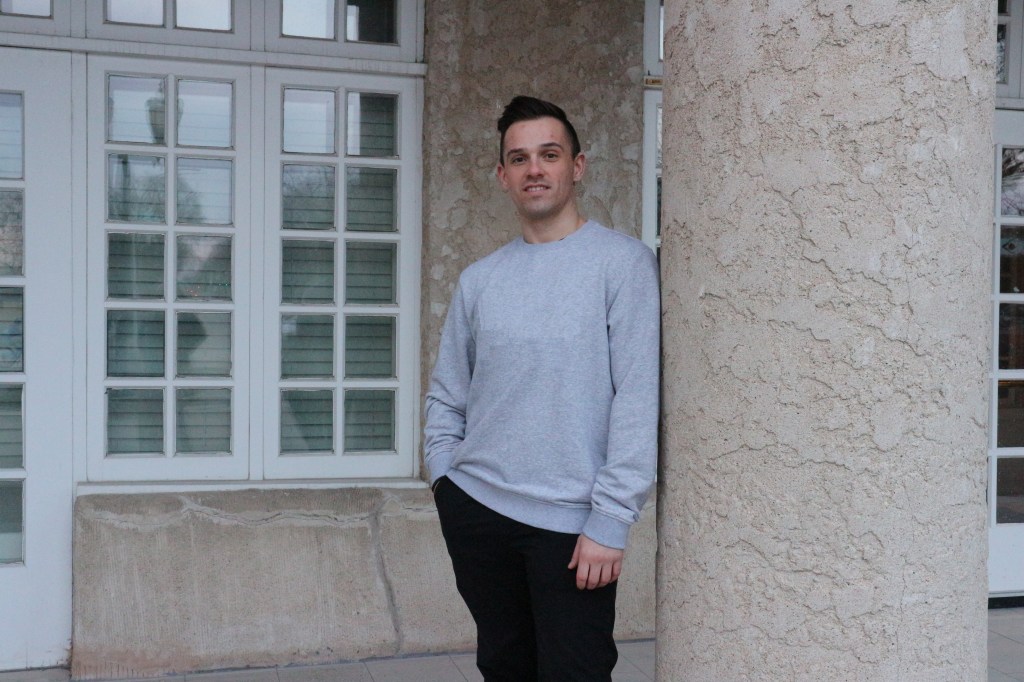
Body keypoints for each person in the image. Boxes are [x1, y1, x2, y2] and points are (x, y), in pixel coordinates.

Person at [424, 95, 660, 681]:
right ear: (502, 175)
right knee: (503, 668)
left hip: (574, 527)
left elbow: (637, 397)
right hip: (477, 509)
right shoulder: (480, 280)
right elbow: (448, 394)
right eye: (520, 158)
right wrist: (445, 481)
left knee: (576, 672)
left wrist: (611, 519)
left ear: (577, 166)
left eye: (549, 155)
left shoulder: (623, 265)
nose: (535, 169)